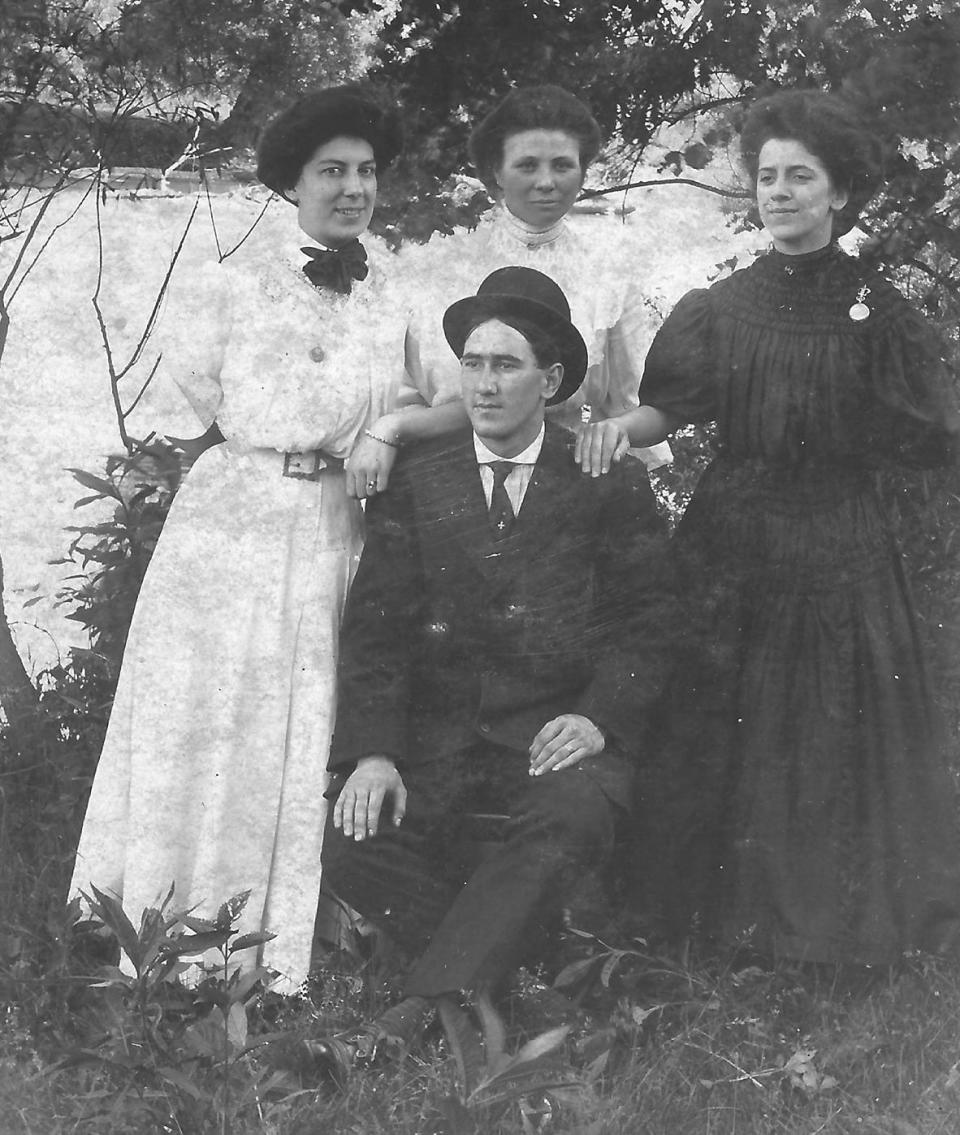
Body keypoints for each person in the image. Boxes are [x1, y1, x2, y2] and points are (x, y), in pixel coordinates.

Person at [70, 85, 437, 991]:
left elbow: (437, 400)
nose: (352, 189)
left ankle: (288, 947)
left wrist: (386, 431)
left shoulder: (393, 293)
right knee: (217, 713)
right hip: (233, 524)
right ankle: (172, 932)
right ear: (293, 182)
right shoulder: (232, 282)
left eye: (365, 172)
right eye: (331, 172)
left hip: (336, 523)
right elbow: (191, 399)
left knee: (308, 718)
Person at [625, 88, 960, 964]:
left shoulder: (879, 311)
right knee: (712, 712)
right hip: (732, 534)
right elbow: (668, 411)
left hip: (840, 535)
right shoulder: (720, 307)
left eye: (799, 177)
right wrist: (585, 435)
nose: (778, 192)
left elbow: (928, 432)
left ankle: (816, 926)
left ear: (840, 192)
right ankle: (697, 916)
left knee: (826, 720)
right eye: (767, 177)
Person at [317, 266, 676, 1057]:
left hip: (554, 737)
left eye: (506, 365)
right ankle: (500, 967)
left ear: (549, 381)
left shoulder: (603, 479)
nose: (483, 384)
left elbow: (649, 622)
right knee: (352, 839)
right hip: (442, 745)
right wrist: (374, 752)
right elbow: (376, 632)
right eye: (472, 363)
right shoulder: (419, 480)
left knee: (573, 817)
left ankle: (414, 1011)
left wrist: (596, 716)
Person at [345, 84, 672, 500]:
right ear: (496, 173)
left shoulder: (608, 274)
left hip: (560, 484)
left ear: (583, 170)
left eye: (562, 165)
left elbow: (636, 404)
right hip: (445, 485)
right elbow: (405, 397)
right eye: (528, 165)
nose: (547, 182)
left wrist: (612, 432)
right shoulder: (440, 264)